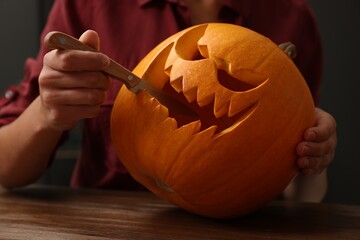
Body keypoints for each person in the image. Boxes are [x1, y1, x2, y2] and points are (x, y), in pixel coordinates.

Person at [0, 0, 337, 202]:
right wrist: (47, 113)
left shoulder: (293, 17)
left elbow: (300, 190)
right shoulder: (89, 3)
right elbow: (6, 168)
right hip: (108, 227)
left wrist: (312, 153)